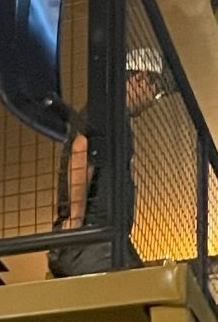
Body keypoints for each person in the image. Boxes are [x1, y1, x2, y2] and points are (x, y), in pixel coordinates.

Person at [48, 40, 168, 277]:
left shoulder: (111, 115)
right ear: (141, 78)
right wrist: (76, 219)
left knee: (143, 288)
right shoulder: (107, 111)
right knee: (140, 292)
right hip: (91, 240)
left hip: (100, 240)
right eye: (155, 92)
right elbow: (82, 151)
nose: (152, 102)